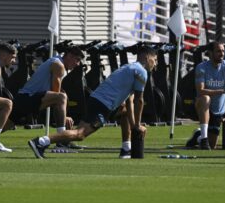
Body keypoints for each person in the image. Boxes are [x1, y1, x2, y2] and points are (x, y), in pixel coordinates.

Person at [28, 46, 158, 159]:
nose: (155, 63)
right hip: (103, 105)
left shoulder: (129, 67)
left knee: (124, 112)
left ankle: (126, 149)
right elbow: (139, 100)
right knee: (80, 134)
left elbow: (130, 101)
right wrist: (138, 125)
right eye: (155, 59)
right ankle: (41, 141)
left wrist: (135, 125)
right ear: (147, 58)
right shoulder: (141, 72)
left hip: (99, 101)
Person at [185, 41, 225, 150]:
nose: (222, 53)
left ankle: (198, 136)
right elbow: (201, 91)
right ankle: (203, 139)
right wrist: (223, 90)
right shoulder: (201, 67)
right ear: (210, 53)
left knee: (212, 145)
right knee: (205, 98)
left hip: (218, 110)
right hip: (202, 106)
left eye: (223, 51)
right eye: (218, 51)